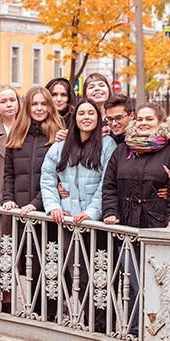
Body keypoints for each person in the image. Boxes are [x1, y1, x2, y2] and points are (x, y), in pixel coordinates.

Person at [102, 102, 170, 337]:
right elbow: (109, 186)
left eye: (149, 119)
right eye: (139, 119)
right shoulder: (123, 150)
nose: (143, 123)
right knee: (130, 281)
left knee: (158, 282)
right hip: (127, 225)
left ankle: (160, 333)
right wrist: (111, 212)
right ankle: (133, 331)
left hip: (157, 225)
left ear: (160, 123)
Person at [40, 98, 116, 328]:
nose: (86, 117)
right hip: (65, 219)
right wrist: (53, 206)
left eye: (91, 113)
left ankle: (97, 324)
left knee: (93, 275)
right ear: (74, 118)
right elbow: (47, 178)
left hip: (93, 223)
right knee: (59, 269)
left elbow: (107, 182)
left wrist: (92, 212)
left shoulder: (107, 144)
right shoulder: (60, 146)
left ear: (98, 117)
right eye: (81, 113)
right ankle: (52, 318)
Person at [1, 86, 63, 216]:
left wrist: (36, 204)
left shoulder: (58, 135)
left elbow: (57, 178)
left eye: (43, 104)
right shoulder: (16, 135)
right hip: (20, 211)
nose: (39, 108)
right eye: (34, 104)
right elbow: (9, 173)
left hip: (48, 212)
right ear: (27, 107)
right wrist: (8, 198)